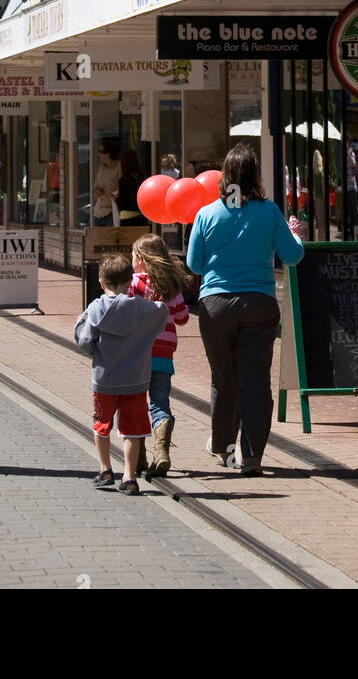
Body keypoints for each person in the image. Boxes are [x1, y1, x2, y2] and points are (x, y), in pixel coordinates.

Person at [187, 143, 306, 477]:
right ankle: (252, 456)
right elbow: (292, 257)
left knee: (224, 379)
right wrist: (296, 237)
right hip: (259, 303)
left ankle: (223, 447)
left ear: (224, 177)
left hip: (216, 306)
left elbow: (194, 263)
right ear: (254, 175)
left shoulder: (207, 214)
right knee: (255, 382)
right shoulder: (268, 213)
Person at [74, 254, 168, 496]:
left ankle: (105, 469)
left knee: (101, 425)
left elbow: (83, 338)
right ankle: (129, 476)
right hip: (136, 380)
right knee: (132, 430)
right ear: (130, 282)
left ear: (102, 283)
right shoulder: (142, 308)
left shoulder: (96, 308)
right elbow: (163, 311)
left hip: (104, 379)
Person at [129, 235, 190, 478]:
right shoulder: (171, 286)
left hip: (136, 355)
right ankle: (161, 451)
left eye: (133, 256)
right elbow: (183, 318)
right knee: (159, 403)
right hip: (163, 356)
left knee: (135, 404)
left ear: (141, 260)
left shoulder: (133, 284)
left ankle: (139, 457)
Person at [92, 139, 121, 226]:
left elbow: (121, 191)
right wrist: (95, 191)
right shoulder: (101, 168)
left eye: (100, 151)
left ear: (108, 153)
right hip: (98, 213)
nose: (98, 154)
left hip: (111, 213)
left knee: (111, 239)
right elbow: (95, 187)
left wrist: (104, 193)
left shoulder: (119, 167)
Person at [116, 149, 145, 228]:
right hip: (141, 219)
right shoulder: (141, 178)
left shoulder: (124, 181)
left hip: (127, 219)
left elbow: (123, 204)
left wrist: (114, 198)